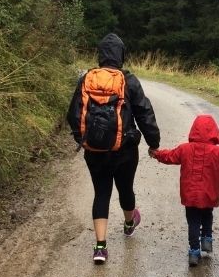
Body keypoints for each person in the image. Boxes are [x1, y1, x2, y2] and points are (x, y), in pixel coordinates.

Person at [66, 33, 161, 264]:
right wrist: (153, 143)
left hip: (94, 151)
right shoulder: (128, 80)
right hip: (124, 150)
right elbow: (144, 113)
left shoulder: (86, 78)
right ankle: (129, 224)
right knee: (125, 188)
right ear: (121, 55)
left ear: (100, 55)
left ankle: (100, 247)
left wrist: (84, 139)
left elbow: (73, 114)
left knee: (101, 193)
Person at [150, 114, 219, 267]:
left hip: (190, 195)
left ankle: (194, 252)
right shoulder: (218, 152)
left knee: (193, 222)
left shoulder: (184, 149)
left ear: (193, 131)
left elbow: (169, 156)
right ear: (214, 132)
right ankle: (207, 239)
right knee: (207, 214)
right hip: (209, 194)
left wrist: (156, 154)